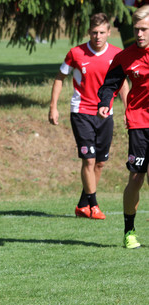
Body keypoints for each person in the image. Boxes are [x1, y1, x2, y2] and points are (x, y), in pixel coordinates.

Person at [48, 13, 129, 220]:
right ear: (89, 33)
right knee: (89, 159)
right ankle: (94, 205)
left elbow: (122, 85)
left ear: (109, 32)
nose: (98, 36)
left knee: (100, 163)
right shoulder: (76, 53)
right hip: (81, 112)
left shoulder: (117, 55)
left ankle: (83, 204)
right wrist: (53, 107)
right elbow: (59, 78)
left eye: (102, 32)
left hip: (105, 114)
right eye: (94, 32)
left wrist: (128, 110)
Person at [98, 5, 149, 249]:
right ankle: (129, 231)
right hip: (139, 123)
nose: (139, 34)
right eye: (136, 29)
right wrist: (105, 102)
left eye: (144, 30)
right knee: (137, 178)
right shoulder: (125, 57)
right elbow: (110, 85)